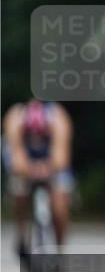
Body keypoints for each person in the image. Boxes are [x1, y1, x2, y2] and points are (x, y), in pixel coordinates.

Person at [2, 99, 74, 256]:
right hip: (25, 166)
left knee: (60, 204)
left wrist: (47, 169)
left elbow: (61, 158)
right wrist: (30, 169)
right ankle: (21, 233)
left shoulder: (58, 117)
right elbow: (16, 158)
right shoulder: (16, 118)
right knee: (18, 192)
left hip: (52, 165)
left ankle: (60, 248)